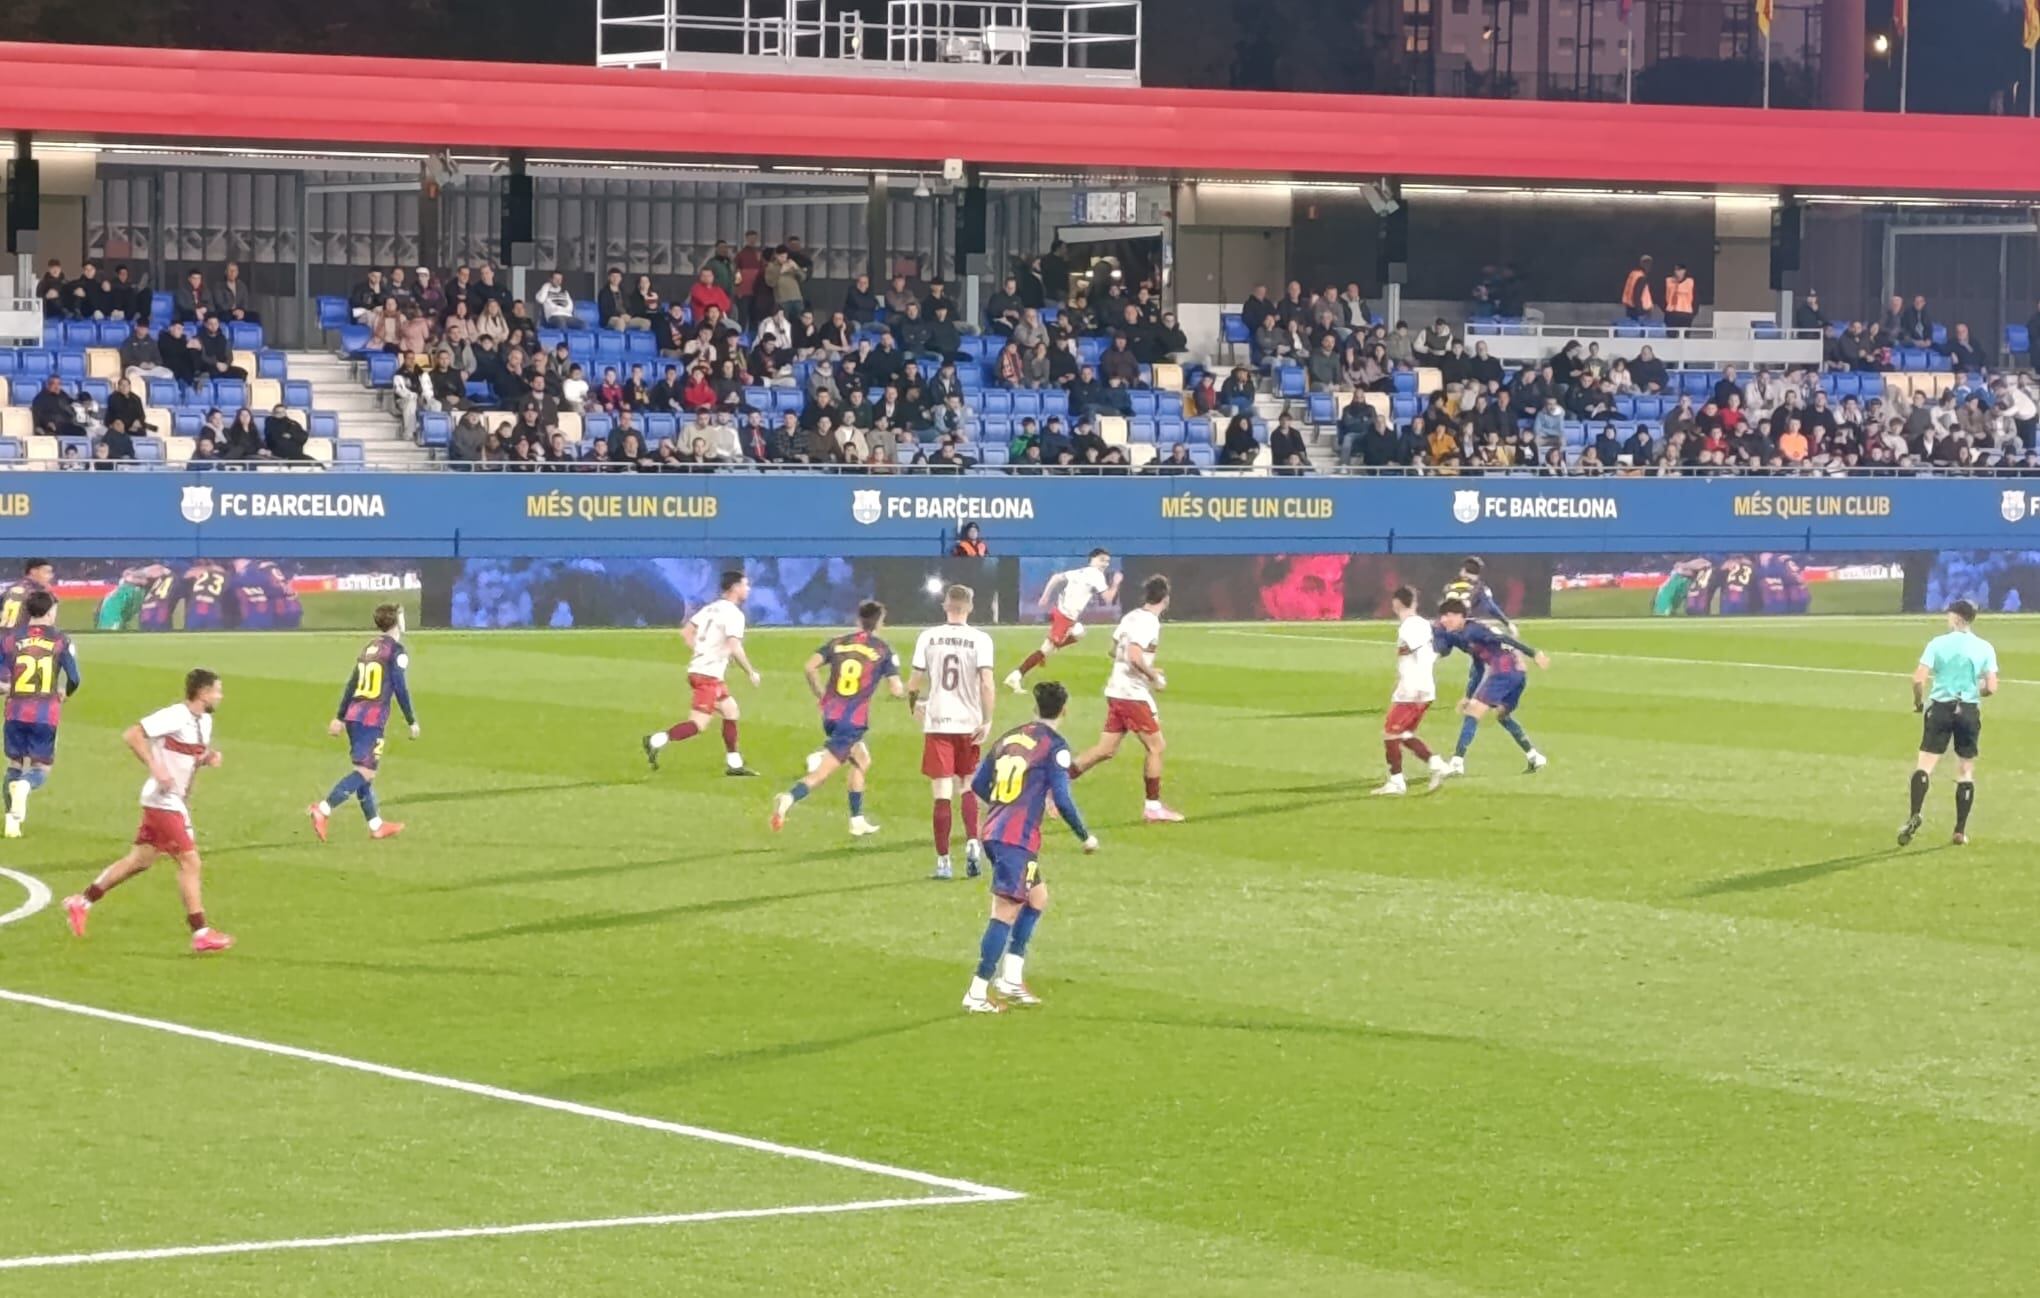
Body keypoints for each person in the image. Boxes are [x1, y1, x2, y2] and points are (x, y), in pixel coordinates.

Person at [61, 669, 234, 954]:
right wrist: (156, 767)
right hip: (162, 801)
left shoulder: (205, 721)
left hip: (174, 801)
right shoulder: (175, 715)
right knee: (190, 862)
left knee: (140, 860)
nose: (220, 696)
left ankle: (82, 902)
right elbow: (133, 735)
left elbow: (189, 755)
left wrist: (207, 758)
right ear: (203, 693)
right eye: (217, 690)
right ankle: (201, 932)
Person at [961, 680, 1099, 1013]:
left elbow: (979, 784)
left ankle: (1010, 978)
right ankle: (977, 992)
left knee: (1037, 897)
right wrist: (1085, 836)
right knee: (1005, 911)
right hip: (1015, 839)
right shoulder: (1055, 747)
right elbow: (1062, 798)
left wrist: (1009, 802)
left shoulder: (1010, 737)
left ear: (1035, 708)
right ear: (1064, 710)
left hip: (995, 831)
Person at [771, 601, 903, 838]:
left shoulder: (838, 642)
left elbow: (809, 667)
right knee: (821, 774)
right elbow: (896, 690)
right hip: (852, 722)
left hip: (831, 714)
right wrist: (909, 693)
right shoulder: (883, 649)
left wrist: (821, 695)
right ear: (880, 622)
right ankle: (789, 798)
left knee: (861, 759)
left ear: (858, 619)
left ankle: (857, 820)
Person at [1070, 575, 1182, 823]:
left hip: (1117, 689)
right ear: (1166, 599)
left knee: (1105, 750)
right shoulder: (1149, 622)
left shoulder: (1131, 616)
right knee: (1156, 747)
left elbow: (1114, 651)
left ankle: (1050, 786)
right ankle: (1153, 807)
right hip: (1131, 694)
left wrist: (1147, 668)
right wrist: (1153, 676)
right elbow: (1133, 656)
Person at [307, 604, 417, 843]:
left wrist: (340, 716)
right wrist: (411, 721)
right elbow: (400, 687)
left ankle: (376, 825)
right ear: (397, 622)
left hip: (354, 716)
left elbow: (353, 682)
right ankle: (323, 809)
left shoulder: (370, 648)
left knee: (365, 772)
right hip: (371, 719)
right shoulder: (396, 651)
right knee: (365, 772)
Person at [909, 584, 996, 882]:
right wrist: (987, 720)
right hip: (968, 722)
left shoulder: (928, 637)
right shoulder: (981, 639)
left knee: (941, 793)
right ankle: (972, 843)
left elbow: (914, 682)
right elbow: (987, 683)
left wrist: (913, 705)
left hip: (938, 723)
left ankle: (944, 862)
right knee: (967, 786)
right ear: (970, 608)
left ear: (945, 605)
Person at [643, 570, 760, 776]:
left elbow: (686, 632)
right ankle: (655, 740)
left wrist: (702, 652)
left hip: (702, 672)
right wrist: (750, 672)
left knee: (731, 711)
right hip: (708, 676)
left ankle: (734, 764)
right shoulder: (734, 614)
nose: (748, 589)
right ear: (735, 588)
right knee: (698, 724)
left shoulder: (711, 608)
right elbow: (735, 646)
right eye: (745, 584)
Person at [1900, 599, 1997, 847]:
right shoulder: (1985, 647)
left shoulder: (1937, 643)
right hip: (1968, 710)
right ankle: (1959, 832)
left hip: (1941, 709)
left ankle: (1914, 814)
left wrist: (1918, 703)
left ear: (1955, 617)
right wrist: (1975, 690)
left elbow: (1918, 680)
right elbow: (1991, 687)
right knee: (1965, 771)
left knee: (1924, 766)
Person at [1433, 598, 1550, 780]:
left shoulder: (1473, 630)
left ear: (1460, 616)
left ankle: (1456, 763)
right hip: (1517, 674)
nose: (1444, 620)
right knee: (1502, 715)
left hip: (1505, 672)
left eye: (1448, 616)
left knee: (1473, 712)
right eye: (1442, 616)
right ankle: (1534, 756)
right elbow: (1479, 667)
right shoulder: (1466, 634)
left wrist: (1533, 653)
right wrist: (1468, 696)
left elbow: (1503, 638)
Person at [0, 592, 81, 838]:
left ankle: (11, 821)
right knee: (40, 767)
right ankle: (26, 786)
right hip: (45, 712)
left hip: (15, 710)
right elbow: (74, 678)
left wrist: (7, 686)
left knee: (14, 764)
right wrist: (65, 692)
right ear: (49, 611)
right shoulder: (60, 640)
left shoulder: (10, 639)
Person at [1005, 548, 1121, 693]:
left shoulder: (1080, 572)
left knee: (1079, 632)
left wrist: (1045, 596)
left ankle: (1051, 648)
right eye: (1102, 560)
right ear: (1092, 559)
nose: (1105, 564)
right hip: (1065, 617)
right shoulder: (1096, 575)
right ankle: (1016, 676)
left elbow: (1056, 578)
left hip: (1062, 612)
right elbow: (1108, 598)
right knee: (1046, 649)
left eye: (1108, 561)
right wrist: (1116, 583)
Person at [1371, 586, 1448, 797]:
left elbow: (1419, 654)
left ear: (1396, 603)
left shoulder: (1409, 627)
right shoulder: (1423, 624)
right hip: (1423, 688)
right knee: (1403, 734)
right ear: (1415, 602)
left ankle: (1397, 781)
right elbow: (1432, 653)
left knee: (1390, 733)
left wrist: (1412, 686)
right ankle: (1436, 763)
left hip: (1413, 690)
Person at [1, 559, 56, 632]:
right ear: (33, 572)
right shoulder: (39, 593)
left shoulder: (9, 589)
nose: (51, 576)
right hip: (22, 636)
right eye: (47, 572)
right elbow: (46, 624)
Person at [1662, 263, 1696, 330]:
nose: (1678, 272)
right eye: (1676, 270)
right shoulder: (1668, 281)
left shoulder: (1690, 282)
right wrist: (1666, 309)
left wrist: (1693, 312)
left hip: (1686, 313)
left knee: (1684, 334)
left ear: (1684, 271)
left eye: (1680, 270)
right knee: (1671, 334)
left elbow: (1695, 298)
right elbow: (1662, 296)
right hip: (1671, 312)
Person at [1621, 255, 1655, 320]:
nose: (1649, 266)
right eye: (1647, 264)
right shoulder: (1641, 277)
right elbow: (1637, 295)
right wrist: (1641, 312)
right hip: (1639, 310)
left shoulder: (1633, 274)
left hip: (1630, 308)